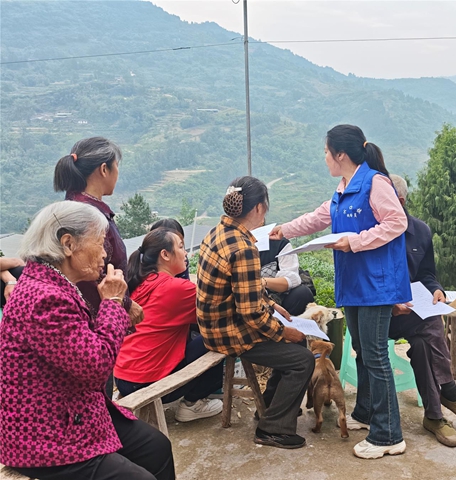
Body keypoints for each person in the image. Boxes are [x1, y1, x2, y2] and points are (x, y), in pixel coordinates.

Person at [0, 201, 174, 480]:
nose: (105, 253)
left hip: (71, 410)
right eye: (100, 242)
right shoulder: (43, 298)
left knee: (156, 448)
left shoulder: (53, 284)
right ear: (68, 244)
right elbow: (97, 366)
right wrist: (113, 303)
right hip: (42, 434)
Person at [271, 125, 411, 459]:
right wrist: (283, 229)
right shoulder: (344, 187)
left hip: (376, 284)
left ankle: (389, 435)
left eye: (326, 152)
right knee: (362, 350)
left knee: (375, 355)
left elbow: (397, 222)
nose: (325, 158)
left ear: (341, 154)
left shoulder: (375, 183)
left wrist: (356, 241)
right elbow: (319, 217)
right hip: (354, 284)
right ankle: (366, 412)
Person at [197, 176, 314, 450]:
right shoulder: (244, 247)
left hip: (214, 326)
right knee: (303, 359)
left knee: (296, 348)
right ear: (259, 208)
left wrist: (271, 304)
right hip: (230, 333)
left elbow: (242, 287)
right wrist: (283, 332)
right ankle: (272, 429)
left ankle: (271, 408)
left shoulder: (216, 234)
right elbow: (250, 314)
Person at [386, 175, 456, 448]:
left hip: (412, 314)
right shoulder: (372, 233)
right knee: (431, 320)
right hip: (380, 315)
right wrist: (389, 305)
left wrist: (436, 290)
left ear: (400, 201)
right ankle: (449, 389)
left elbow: (427, 274)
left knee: (423, 344)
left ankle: (434, 416)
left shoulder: (420, 231)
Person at [54, 137, 144, 398]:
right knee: (95, 396)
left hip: (84, 326)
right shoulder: (88, 217)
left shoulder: (73, 208)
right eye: (117, 166)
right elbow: (92, 272)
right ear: (104, 169)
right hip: (92, 328)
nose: (117, 173)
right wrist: (124, 304)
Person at [114, 228, 224, 421]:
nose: (186, 253)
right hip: (146, 383)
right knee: (220, 334)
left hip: (123, 377)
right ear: (165, 254)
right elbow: (221, 311)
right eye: (181, 247)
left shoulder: (141, 280)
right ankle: (192, 403)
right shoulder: (177, 288)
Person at [260, 236, 315, 316]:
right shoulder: (240, 246)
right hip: (248, 299)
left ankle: (293, 322)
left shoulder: (279, 243)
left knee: (302, 293)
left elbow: (292, 279)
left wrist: (262, 282)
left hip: (277, 295)